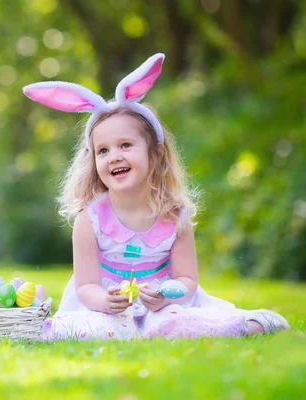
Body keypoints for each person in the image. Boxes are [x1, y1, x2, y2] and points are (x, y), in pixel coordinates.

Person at [23, 54, 290, 340]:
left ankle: (247, 324)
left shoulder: (174, 216)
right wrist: (105, 301)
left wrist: (164, 297)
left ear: (156, 153)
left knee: (170, 323)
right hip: (104, 309)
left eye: (125, 145)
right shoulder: (90, 219)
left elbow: (187, 280)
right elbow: (86, 285)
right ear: (93, 161)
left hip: (163, 306)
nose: (114, 157)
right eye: (103, 150)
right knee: (93, 328)